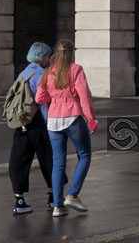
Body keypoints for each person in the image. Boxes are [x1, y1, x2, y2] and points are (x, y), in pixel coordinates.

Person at [35, 39, 98, 218]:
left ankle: (57, 206)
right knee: (84, 155)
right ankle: (72, 195)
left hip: (53, 120)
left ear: (56, 52)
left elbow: (39, 98)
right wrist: (91, 118)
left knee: (58, 162)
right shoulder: (76, 69)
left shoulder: (48, 72)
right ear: (71, 52)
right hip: (73, 117)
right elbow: (84, 96)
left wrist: (55, 97)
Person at [9, 42, 57, 215]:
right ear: (43, 57)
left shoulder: (23, 73)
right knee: (48, 158)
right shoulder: (42, 75)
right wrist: (49, 122)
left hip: (22, 121)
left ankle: (19, 199)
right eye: (48, 56)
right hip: (38, 122)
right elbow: (43, 101)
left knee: (19, 160)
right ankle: (53, 196)